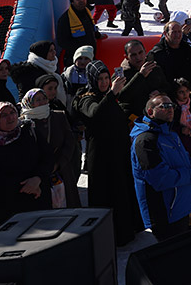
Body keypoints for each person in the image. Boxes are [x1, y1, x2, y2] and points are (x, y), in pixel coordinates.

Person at [73, 60, 143, 245]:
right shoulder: (85, 96)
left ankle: (129, 228)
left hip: (120, 150)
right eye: (100, 79)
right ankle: (110, 235)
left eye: (106, 78)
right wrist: (112, 93)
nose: (104, 82)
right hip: (102, 154)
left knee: (123, 189)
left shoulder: (109, 95)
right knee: (108, 191)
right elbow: (95, 112)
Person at [0, 102, 53, 242]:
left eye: (12, 113)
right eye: (3, 115)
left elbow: (47, 157)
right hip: (5, 213)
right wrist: (28, 187)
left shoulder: (29, 132)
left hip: (37, 204)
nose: (10, 118)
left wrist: (38, 178)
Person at [131, 93, 191, 241]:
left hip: (181, 206)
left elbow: (184, 159)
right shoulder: (145, 141)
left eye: (171, 106)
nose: (170, 109)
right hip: (165, 213)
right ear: (150, 112)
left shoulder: (170, 134)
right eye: (164, 106)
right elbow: (160, 179)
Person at [20, 87, 81, 207]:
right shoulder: (23, 123)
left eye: (44, 98)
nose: (42, 102)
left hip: (61, 169)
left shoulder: (58, 116)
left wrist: (58, 163)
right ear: (29, 103)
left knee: (67, 206)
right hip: (37, 173)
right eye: (37, 99)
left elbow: (69, 142)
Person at [56, 0, 103, 66]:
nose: (82, 0)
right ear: (72, 1)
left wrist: (98, 35)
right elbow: (62, 41)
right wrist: (81, 52)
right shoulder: (65, 19)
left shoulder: (86, 13)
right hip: (75, 59)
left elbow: (91, 29)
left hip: (90, 57)